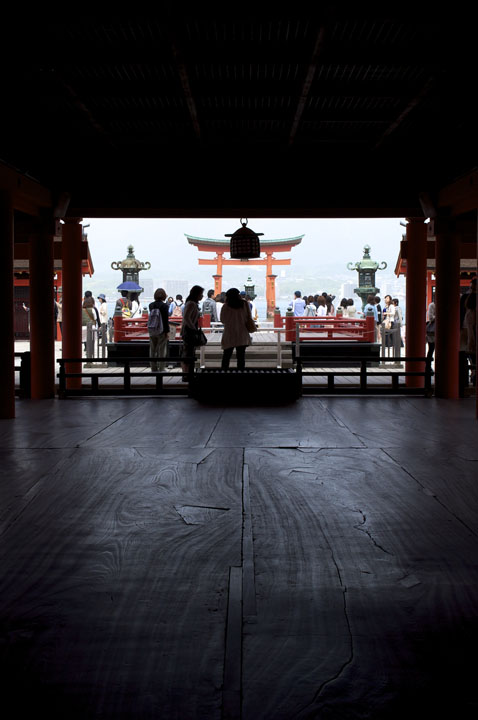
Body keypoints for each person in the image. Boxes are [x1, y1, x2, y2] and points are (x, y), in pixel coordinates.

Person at [220, 288, 254, 370]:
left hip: (229, 333)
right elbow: (249, 317)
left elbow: (222, 320)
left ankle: (224, 373)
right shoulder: (245, 304)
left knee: (226, 356)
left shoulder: (225, 306)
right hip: (242, 333)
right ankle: (240, 373)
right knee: (241, 357)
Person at [181, 285, 204, 379]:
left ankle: (187, 373)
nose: (202, 296)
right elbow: (186, 317)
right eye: (201, 294)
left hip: (188, 330)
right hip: (189, 331)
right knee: (188, 353)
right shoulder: (191, 304)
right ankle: (187, 374)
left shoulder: (190, 303)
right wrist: (193, 329)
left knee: (189, 352)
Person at [148, 288, 170, 372]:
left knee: (152, 349)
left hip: (152, 329)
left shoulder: (151, 305)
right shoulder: (165, 306)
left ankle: (153, 368)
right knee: (162, 350)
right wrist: (167, 331)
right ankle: (161, 368)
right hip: (161, 330)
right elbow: (165, 320)